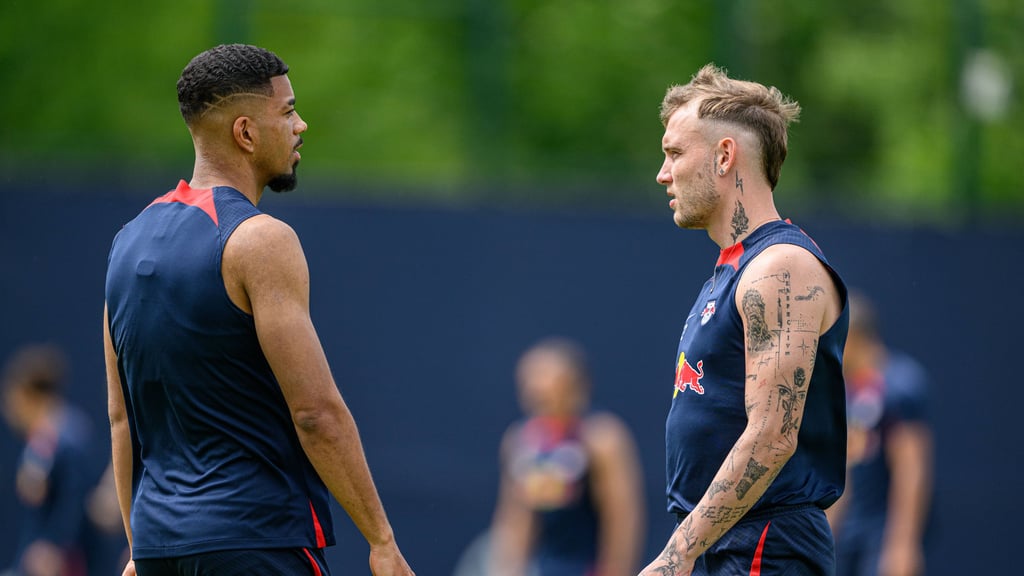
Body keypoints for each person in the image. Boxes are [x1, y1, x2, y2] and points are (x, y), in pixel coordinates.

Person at [103, 44, 414, 576]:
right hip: (256, 541)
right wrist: (381, 541)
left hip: (157, 548)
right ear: (245, 133)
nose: (301, 125)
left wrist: (140, 545)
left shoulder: (125, 242)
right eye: (288, 111)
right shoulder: (260, 240)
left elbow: (121, 415)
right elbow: (315, 413)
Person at [639, 64, 849, 576]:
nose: (663, 174)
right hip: (729, 541)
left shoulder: (781, 268)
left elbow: (772, 437)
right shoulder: (735, 270)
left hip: (764, 544)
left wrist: (675, 555)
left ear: (724, 155)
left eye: (674, 153)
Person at [490, 338, 644, 576]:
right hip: (545, 568)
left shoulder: (602, 438)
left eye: (544, 376)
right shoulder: (520, 441)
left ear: (573, 385)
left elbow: (623, 517)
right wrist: (507, 569)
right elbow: (515, 520)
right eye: (529, 379)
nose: (535, 387)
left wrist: (615, 571)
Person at [827, 291, 933, 576]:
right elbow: (844, 468)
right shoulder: (843, 388)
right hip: (849, 530)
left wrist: (902, 543)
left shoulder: (899, 383)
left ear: (853, 335)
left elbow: (911, 468)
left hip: (882, 529)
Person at [2, 344, 101, 576]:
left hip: (65, 560)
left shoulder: (63, 436)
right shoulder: (44, 437)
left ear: (27, 395)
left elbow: (76, 499)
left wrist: (56, 546)